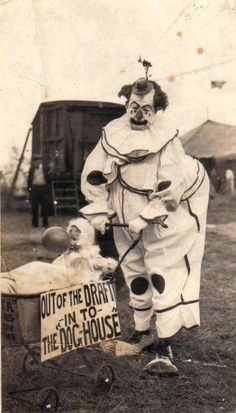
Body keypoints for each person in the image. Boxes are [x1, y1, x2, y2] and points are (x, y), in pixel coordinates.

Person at [79, 77, 210, 375]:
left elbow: (170, 183)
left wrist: (147, 216)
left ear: (156, 110)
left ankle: (165, 342)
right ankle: (140, 330)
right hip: (124, 216)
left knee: (160, 270)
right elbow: (93, 173)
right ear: (126, 105)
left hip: (161, 219)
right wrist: (100, 211)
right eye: (134, 107)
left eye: (147, 109)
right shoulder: (111, 134)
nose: (139, 113)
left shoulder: (167, 139)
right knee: (134, 271)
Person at [27, 157, 51, 227]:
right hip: (35, 189)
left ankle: (45, 223)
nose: (37, 163)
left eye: (38, 161)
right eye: (35, 161)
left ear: (40, 161)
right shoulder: (31, 170)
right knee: (34, 207)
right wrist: (30, 190)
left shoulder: (45, 169)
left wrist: (47, 188)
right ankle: (35, 224)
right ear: (33, 162)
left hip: (43, 188)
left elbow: (49, 179)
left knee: (45, 207)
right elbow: (29, 180)